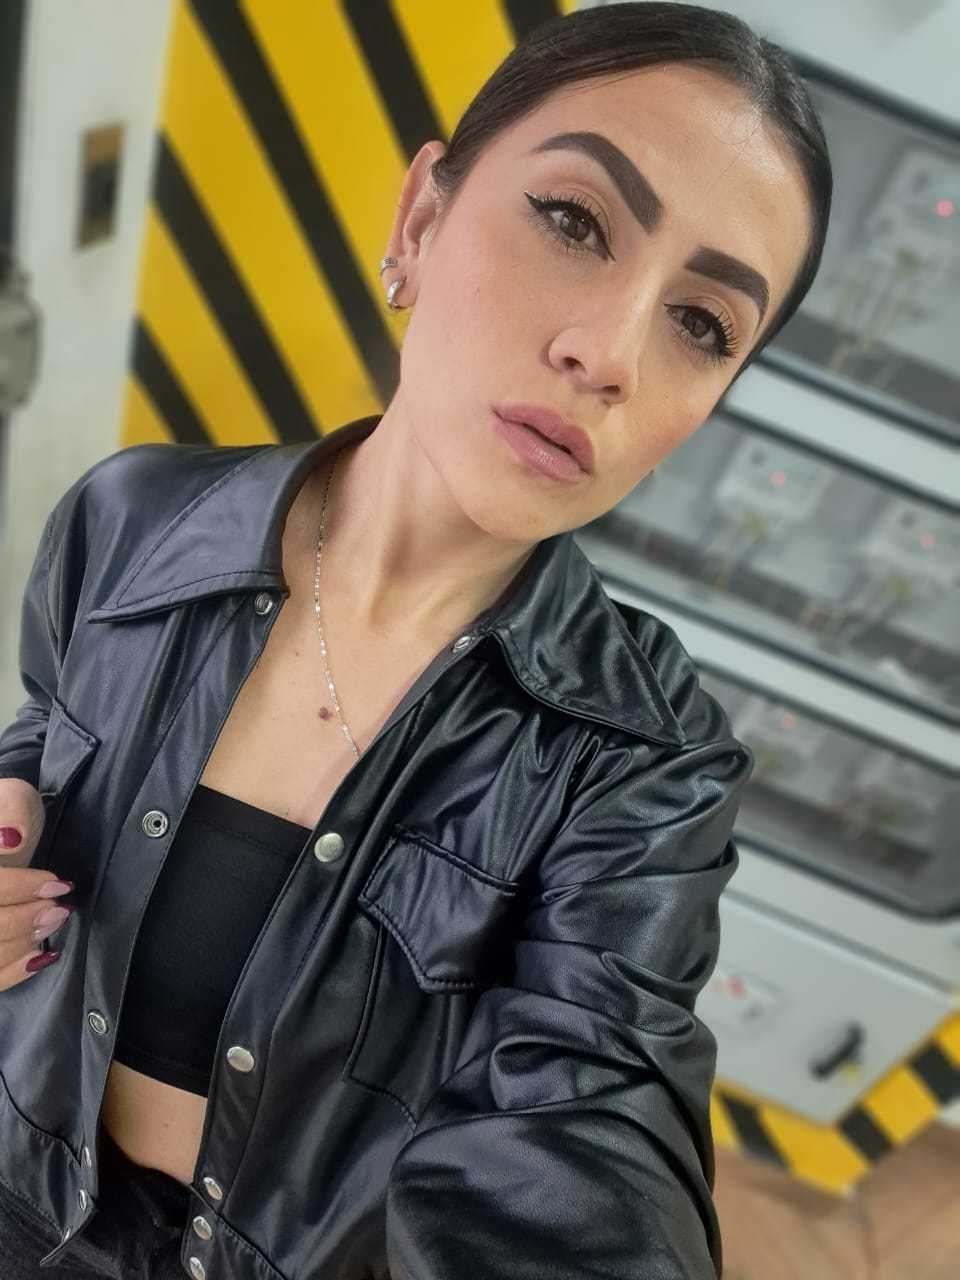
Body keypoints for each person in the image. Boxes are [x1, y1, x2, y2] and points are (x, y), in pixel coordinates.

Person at [0, 3, 831, 1277]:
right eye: (575, 221)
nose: (606, 353)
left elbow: (594, 1109)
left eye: (703, 323)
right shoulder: (132, 517)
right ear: (421, 220)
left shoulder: (641, 763)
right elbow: (50, 728)